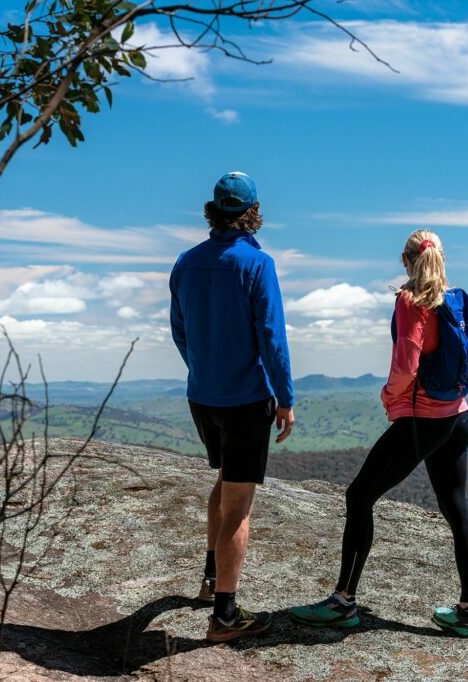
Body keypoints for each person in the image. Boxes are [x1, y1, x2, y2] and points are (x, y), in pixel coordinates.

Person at [288, 229, 468, 637]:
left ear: (404, 260)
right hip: (459, 417)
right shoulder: (459, 299)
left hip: (422, 420)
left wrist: (388, 395)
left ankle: (343, 602)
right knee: (457, 508)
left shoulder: (412, 301)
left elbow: (407, 365)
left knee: (359, 495)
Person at [169, 171, 296, 643]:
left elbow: (180, 332)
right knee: (239, 505)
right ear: (253, 212)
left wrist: (203, 369)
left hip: (202, 395)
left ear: (213, 209)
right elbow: (272, 338)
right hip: (246, 400)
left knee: (224, 481)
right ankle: (224, 615)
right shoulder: (257, 265)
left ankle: (209, 580)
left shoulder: (185, 263)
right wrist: (285, 398)